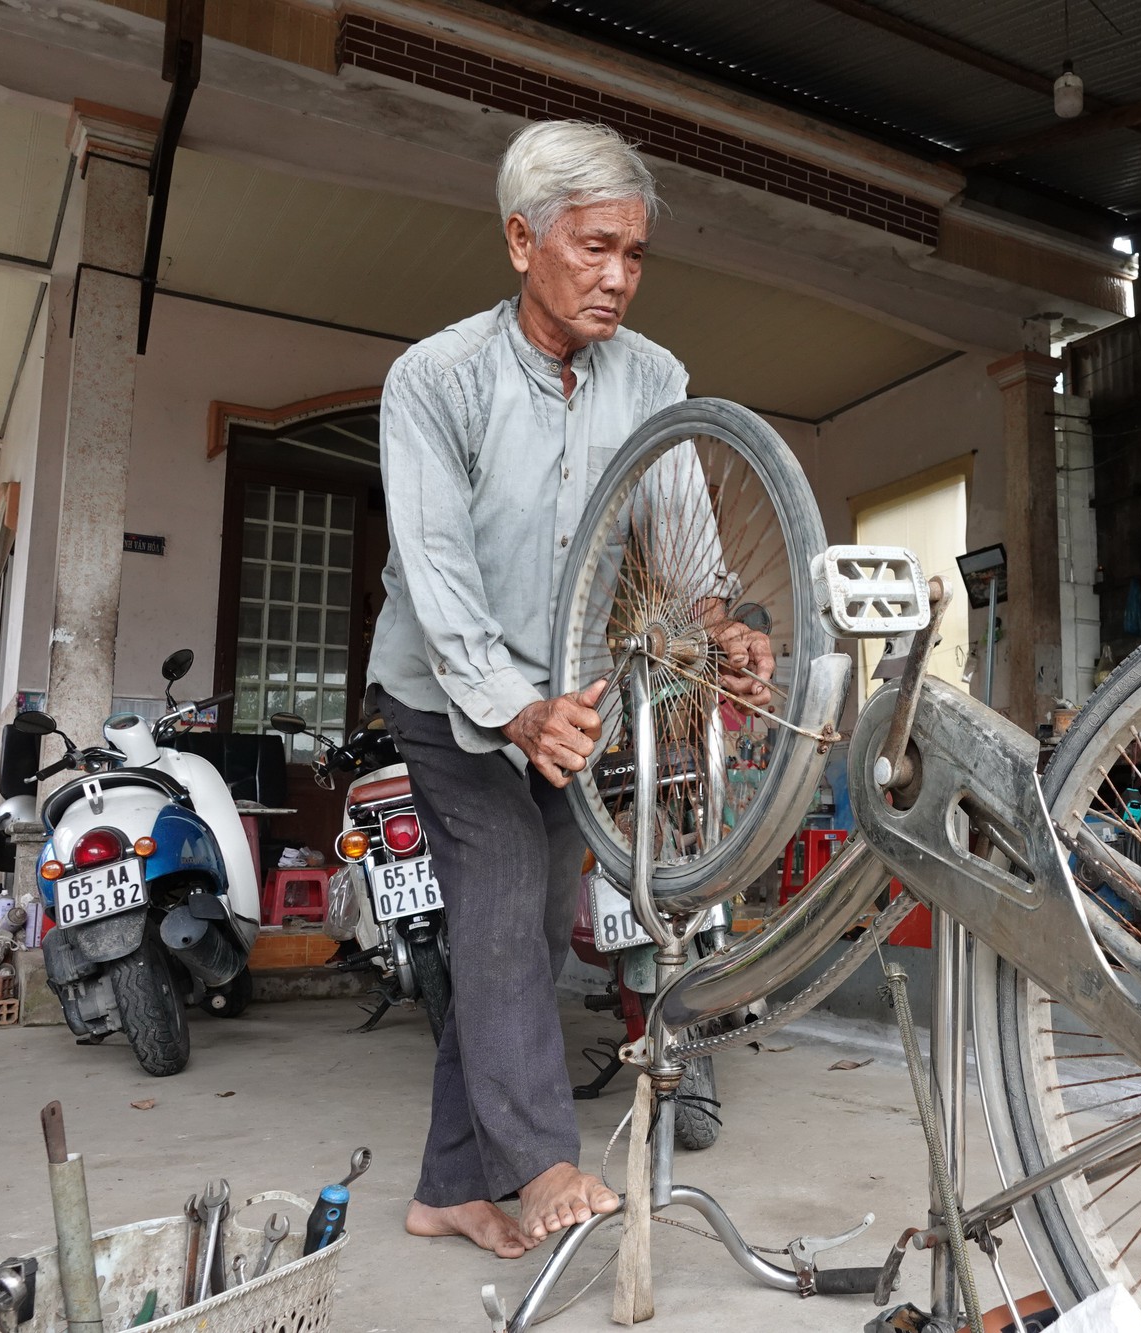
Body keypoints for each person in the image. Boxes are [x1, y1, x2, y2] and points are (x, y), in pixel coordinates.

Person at [367, 119, 773, 1257]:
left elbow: (682, 537)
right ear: (520, 241)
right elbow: (436, 577)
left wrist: (722, 627)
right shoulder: (433, 379)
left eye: (633, 255)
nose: (615, 277)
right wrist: (511, 707)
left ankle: (447, 1184)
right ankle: (541, 1156)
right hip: (450, 692)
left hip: (574, 702)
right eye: (593, 247)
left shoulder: (652, 379)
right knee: (504, 895)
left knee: (536, 917)